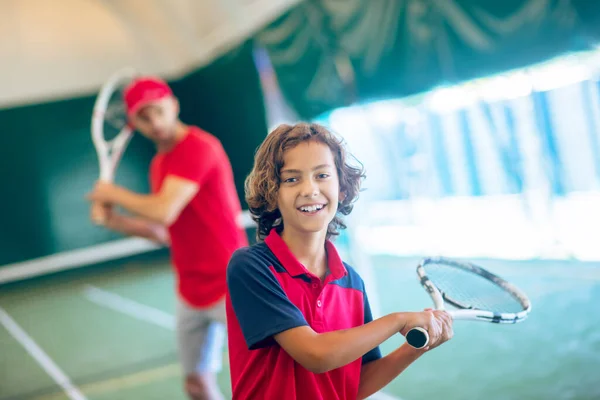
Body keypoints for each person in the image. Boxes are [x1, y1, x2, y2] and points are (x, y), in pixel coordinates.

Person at [225, 122, 453, 399]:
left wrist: (415, 347)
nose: (310, 189)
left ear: (342, 189)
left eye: (322, 175)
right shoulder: (252, 266)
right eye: (292, 179)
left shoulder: (352, 281)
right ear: (272, 192)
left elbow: (356, 383)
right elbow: (315, 355)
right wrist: (398, 321)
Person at [87, 76, 248, 400]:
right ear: (133, 124)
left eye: (159, 111)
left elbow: (163, 210)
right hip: (189, 291)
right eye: (143, 118)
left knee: (263, 377)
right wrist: (114, 220)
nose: (155, 123)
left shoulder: (200, 146)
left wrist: (112, 193)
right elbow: (164, 232)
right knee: (196, 386)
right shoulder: (159, 164)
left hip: (231, 284)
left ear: (173, 104)